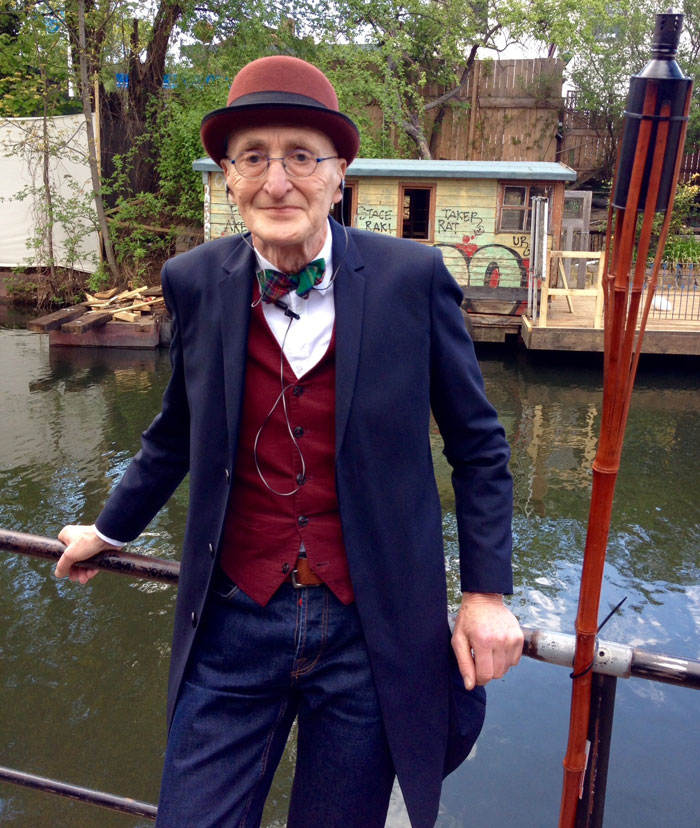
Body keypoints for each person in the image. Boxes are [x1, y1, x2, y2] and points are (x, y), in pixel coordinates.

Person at [55, 55, 523, 828]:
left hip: (369, 631)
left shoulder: (414, 278)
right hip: (235, 617)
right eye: (254, 158)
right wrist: (107, 530)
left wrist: (484, 593)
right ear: (230, 178)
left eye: (301, 157)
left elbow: (478, 447)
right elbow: (176, 431)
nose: (278, 182)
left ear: (339, 176)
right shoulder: (194, 280)